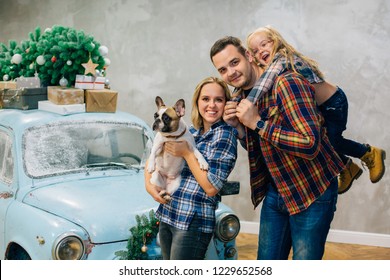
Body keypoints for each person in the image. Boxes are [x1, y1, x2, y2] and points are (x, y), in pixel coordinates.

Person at [210, 36, 344, 260]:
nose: (230, 73)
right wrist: (242, 130)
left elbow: (309, 144)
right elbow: (262, 147)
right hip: (277, 190)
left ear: (249, 56)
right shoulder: (243, 98)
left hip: (311, 190)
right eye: (223, 69)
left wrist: (257, 123)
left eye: (234, 62)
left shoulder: (287, 83)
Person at [245, 26, 386, 194]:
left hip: (333, 104)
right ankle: (347, 168)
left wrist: (247, 104)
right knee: (317, 141)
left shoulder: (282, 59)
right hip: (319, 107)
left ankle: (368, 152)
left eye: (264, 44)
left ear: (275, 42)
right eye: (255, 51)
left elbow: (264, 84)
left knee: (331, 140)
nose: (261, 51)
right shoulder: (272, 68)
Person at [145, 77, 237, 260]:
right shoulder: (191, 132)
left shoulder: (225, 136)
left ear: (226, 103)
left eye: (218, 99)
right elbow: (150, 160)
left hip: (193, 221)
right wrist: (151, 188)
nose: (211, 105)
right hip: (169, 213)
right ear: (197, 102)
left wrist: (187, 153)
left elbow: (211, 187)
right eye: (206, 99)